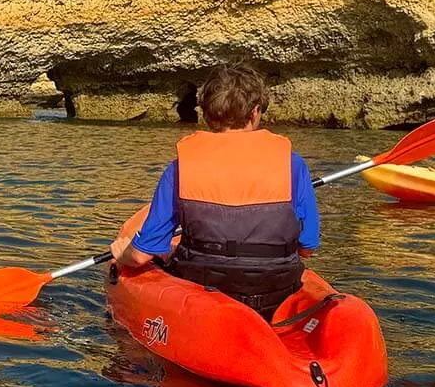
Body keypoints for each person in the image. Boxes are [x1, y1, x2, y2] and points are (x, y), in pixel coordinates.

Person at [110, 63, 319, 320]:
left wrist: (123, 255)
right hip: (276, 291)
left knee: (162, 256)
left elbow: (141, 255)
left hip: (202, 290)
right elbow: (307, 248)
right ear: (255, 112)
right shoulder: (293, 164)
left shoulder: (179, 169)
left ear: (207, 115)